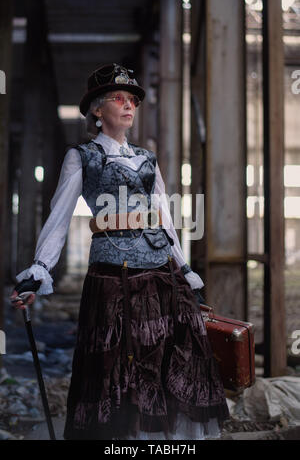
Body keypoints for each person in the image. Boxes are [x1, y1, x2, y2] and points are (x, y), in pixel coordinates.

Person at [10, 63, 229, 440]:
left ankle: (163, 442)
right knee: (117, 365)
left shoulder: (148, 159)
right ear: (97, 109)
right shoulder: (82, 156)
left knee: (168, 358)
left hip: (161, 271)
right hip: (113, 275)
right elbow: (59, 216)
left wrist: (184, 269)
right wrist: (40, 269)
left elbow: (163, 219)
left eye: (133, 101)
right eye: (118, 98)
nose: (128, 106)